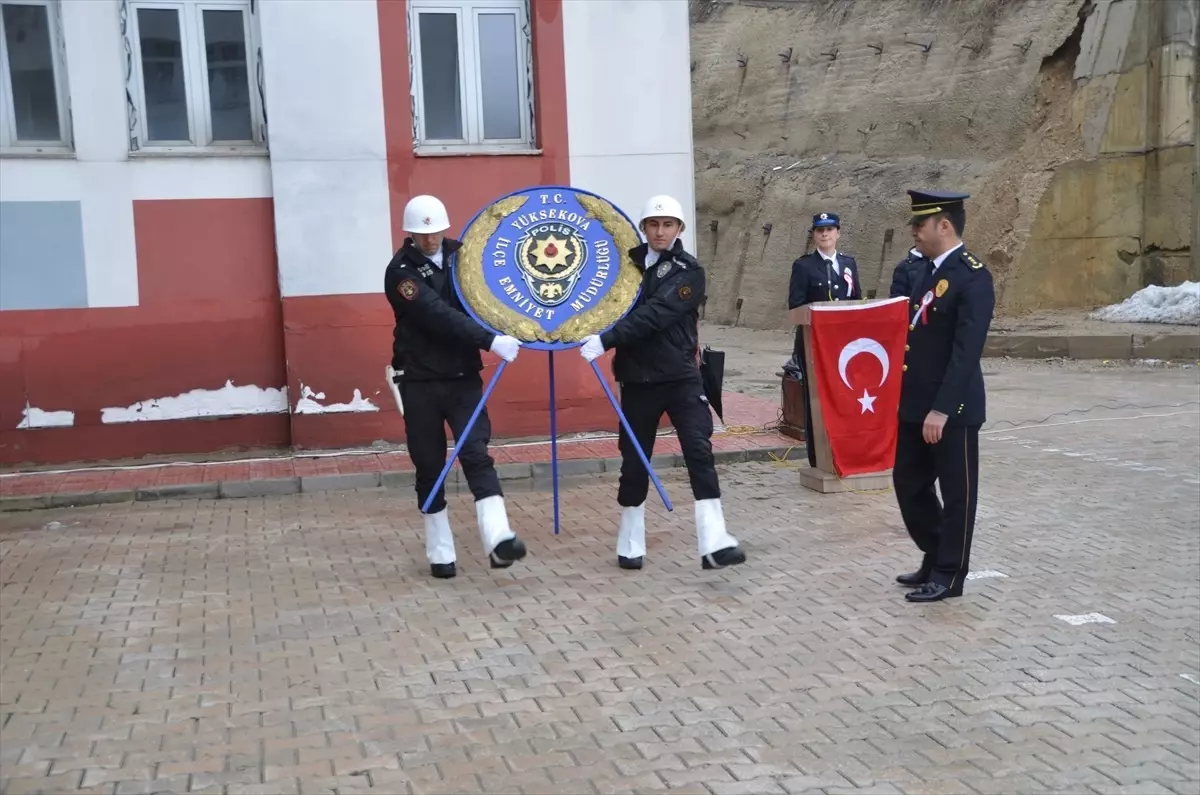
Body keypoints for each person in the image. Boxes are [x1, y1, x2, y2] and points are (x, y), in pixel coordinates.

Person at [578, 195, 745, 571]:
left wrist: (606, 340)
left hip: (681, 377)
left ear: (679, 229)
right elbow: (594, 298)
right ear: (644, 228)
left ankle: (714, 542)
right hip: (637, 380)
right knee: (634, 461)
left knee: (699, 451)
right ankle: (630, 541)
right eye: (654, 225)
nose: (660, 231)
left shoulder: (689, 272)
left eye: (668, 225)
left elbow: (657, 314)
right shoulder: (624, 268)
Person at [383, 194, 529, 580]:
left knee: (477, 454)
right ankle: (440, 551)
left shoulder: (463, 256)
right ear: (410, 232)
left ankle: (499, 540)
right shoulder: (400, 273)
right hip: (420, 382)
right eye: (422, 233)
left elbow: (493, 291)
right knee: (429, 465)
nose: (430, 240)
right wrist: (489, 340)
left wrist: (518, 323)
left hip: (463, 378)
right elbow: (437, 314)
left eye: (435, 232)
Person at [892, 189, 995, 603]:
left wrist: (943, 409)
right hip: (915, 404)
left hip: (952, 409)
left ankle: (950, 574)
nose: (915, 231)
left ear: (945, 225)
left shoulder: (973, 276)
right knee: (909, 485)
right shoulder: (923, 272)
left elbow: (965, 353)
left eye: (921, 224)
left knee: (958, 495)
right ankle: (934, 554)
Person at [786, 212, 863, 467]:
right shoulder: (804, 266)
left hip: (844, 345)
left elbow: (856, 301)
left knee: (845, 395)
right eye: (820, 231)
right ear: (814, 235)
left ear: (838, 233)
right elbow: (796, 305)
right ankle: (818, 456)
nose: (825, 234)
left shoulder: (849, 263)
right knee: (816, 399)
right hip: (815, 343)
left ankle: (846, 449)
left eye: (830, 230)